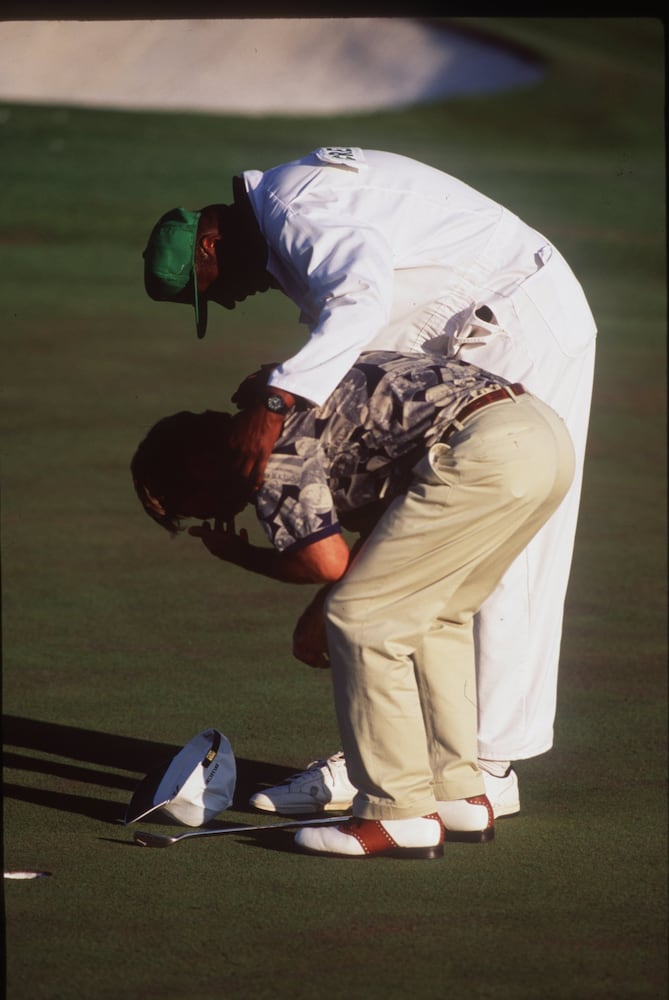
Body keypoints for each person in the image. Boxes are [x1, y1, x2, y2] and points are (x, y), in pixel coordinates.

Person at [142, 147, 597, 817]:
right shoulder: (292, 226)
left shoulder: (294, 211)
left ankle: (483, 766)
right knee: (427, 555)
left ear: (211, 239)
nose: (226, 300)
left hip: (513, 322)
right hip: (479, 325)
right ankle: (417, 761)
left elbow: (360, 301)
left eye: (207, 287)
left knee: (498, 556)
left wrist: (271, 408)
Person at [131, 350, 575, 859]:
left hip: (483, 451)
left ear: (201, 465)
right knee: (435, 614)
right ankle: (458, 793)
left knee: (360, 619)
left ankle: (397, 813)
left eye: (198, 507)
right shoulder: (295, 394)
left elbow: (327, 564)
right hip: (540, 434)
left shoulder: (263, 452)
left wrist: (246, 559)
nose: (217, 514)